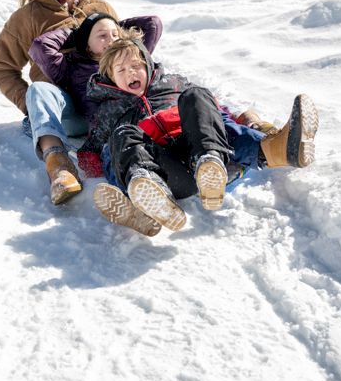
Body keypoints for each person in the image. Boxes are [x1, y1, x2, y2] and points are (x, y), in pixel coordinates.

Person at [83, 30, 318, 236]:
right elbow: (97, 151)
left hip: (206, 155)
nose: (130, 73)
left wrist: (247, 123)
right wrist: (86, 170)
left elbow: (211, 113)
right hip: (169, 171)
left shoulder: (173, 84)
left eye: (136, 66)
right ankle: (150, 196)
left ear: (148, 64)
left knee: (198, 96)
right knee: (122, 135)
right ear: (110, 78)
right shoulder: (109, 110)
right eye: (121, 70)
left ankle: (273, 151)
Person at [0, 0, 115, 205]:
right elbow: (2, 67)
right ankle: (60, 167)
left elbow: (123, 49)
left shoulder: (99, 8)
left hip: (104, 103)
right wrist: (32, 105)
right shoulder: (27, 17)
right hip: (64, 111)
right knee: (39, 90)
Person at [29, 11, 163, 177]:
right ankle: (56, 159)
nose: (111, 40)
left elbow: (153, 23)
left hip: (125, 122)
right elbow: (40, 46)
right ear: (86, 43)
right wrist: (78, 33)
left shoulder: (130, 59)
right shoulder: (71, 66)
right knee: (38, 88)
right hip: (84, 121)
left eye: (115, 35)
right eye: (102, 36)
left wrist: (109, 25)